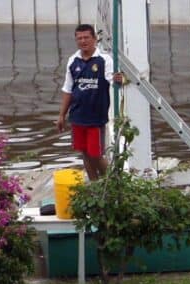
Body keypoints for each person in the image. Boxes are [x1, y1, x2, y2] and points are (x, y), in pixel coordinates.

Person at [55, 24, 124, 181]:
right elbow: (68, 89)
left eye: (86, 37)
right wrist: (61, 115)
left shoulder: (104, 60)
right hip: (77, 115)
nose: (83, 41)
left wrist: (118, 80)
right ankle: (94, 186)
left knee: (96, 154)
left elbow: (112, 80)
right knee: (84, 152)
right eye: (79, 38)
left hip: (96, 117)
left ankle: (113, 184)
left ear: (94, 39)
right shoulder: (73, 60)